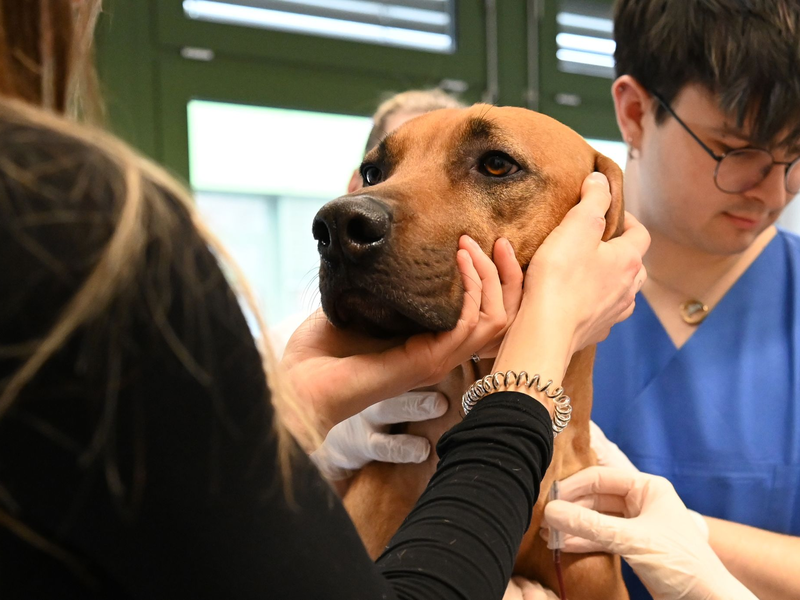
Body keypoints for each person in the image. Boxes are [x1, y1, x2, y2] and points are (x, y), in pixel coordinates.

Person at [0, 1, 664, 598]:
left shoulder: (596, 500)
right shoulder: (86, 227)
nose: (363, 208)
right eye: (376, 173)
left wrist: (295, 411)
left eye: (495, 167)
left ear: (602, 242)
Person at [583, 2, 800, 598]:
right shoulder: (534, 294)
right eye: (736, 150)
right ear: (635, 112)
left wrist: (681, 534)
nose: (773, 192)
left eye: (795, 155)